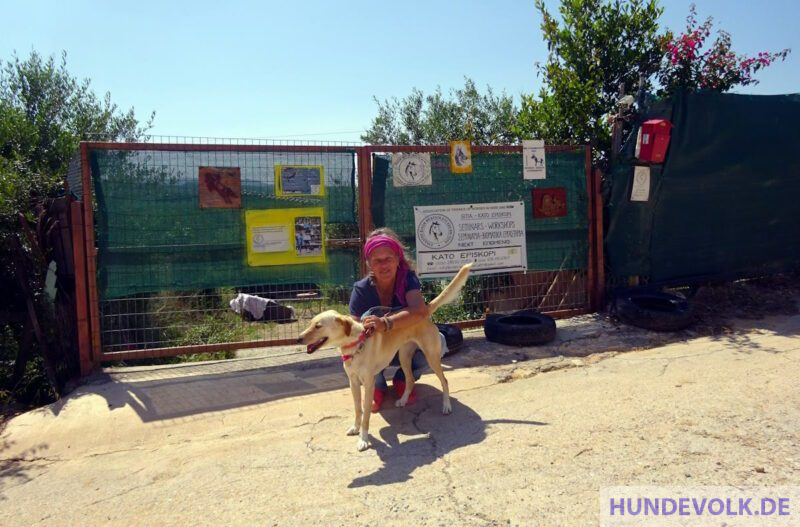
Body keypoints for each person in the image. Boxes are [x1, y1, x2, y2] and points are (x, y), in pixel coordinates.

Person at [349, 227, 448, 413]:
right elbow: (353, 330)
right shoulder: (361, 289)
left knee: (439, 342)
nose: (384, 265)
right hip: (379, 351)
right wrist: (366, 328)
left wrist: (385, 323)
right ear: (369, 263)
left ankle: (403, 379)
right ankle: (376, 386)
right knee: (361, 349)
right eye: (377, 260)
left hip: (404, 345)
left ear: (397, 259)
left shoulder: (408, 279)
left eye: (388, 259)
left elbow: (419, 312)